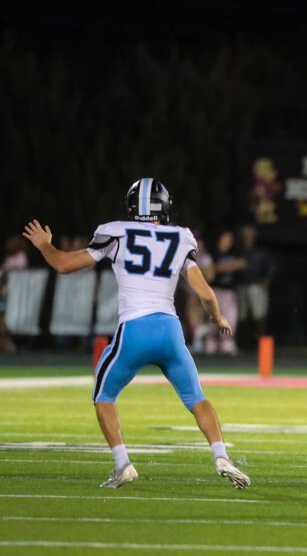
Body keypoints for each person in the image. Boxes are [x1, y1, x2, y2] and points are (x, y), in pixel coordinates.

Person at [21, 178, 249, 490]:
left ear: (132, 207)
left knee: (104, 396)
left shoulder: (115, 232)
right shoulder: (181, 237)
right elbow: (206, 293)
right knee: (197, 397)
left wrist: (43, 245)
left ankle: (122, 464)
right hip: (170, 330)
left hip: (135, 330)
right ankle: (221, 456)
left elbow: (63, 264)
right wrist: (218, 316)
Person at [208, 230, 244, 355]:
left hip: (230, 291)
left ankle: (227, 342)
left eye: (229, 240)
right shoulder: (213, 253)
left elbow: (242, 263)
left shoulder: (234, 253)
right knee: (214, 317)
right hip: (216, 291)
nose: (227, 242)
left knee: (231, 318)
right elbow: (211, 270)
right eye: (225, 239)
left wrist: (222, 267)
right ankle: (211, 341)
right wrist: (230, 266)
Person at [238, 225, 273, 343]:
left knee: (259, 315)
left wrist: (266, 281)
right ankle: (243, 342)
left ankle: (260, 342)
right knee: (242, 316)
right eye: (245, 234)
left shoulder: (261, 251)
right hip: (241, 286)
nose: (248, 236)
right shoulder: (238, 250)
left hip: (256, 285)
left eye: (250, 233)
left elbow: (270, 268)